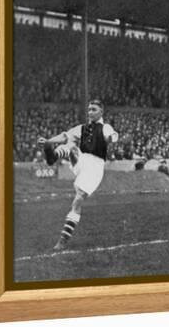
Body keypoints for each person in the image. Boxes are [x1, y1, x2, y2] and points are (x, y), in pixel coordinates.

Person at [37, 99, 118, 250]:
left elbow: (112, 136)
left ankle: (63, 240)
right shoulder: (82, 128)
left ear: (101, 112)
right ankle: (52, 155)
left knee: (78, 200)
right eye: (89, 109)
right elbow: (65, 136)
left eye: (93, 109)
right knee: (71, 145)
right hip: (82, 161)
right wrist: (49, 141)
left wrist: (110, 139)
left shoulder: (105, 127)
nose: (90, 112)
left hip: (94, 167)